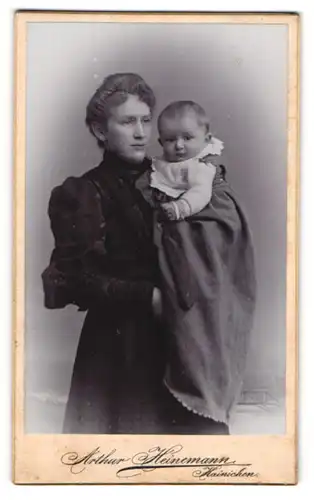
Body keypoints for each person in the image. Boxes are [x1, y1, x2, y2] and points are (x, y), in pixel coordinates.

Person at [42, 74, 230, 434]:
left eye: (146, 119)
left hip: (182, 340)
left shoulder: (174, 179)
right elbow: (73, 279)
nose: (141, 132)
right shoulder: (83, 192)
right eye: (128, 121)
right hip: (119, 349)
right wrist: (149, 296)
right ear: (100, 130)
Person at [149, 100, 257, 425]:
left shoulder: (203, 169)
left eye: (187, 138)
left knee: (206, 311)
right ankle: (180, 395)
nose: (178, 145)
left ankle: (206, 397)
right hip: (176, 234)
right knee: (177, 321)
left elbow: (198, 198)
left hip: (199, 230)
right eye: (169, 140)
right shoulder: (162, 168)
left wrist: (177, 211)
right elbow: (152, 185)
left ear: (206, 137)